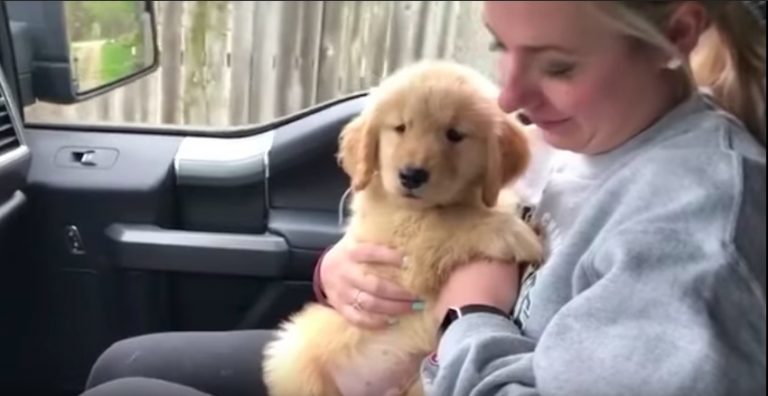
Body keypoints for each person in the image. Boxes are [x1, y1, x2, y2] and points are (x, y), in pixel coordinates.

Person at [81, 1, 766, 395]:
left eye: (558, 66)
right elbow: (414, 224)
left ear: (675, 36)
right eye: (503, 48)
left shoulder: (692, 240)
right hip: (423, 361)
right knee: (124, 364)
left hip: (449, 369)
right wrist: (342, 270)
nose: (509, 97)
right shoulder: (584, 135)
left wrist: (466, 312)